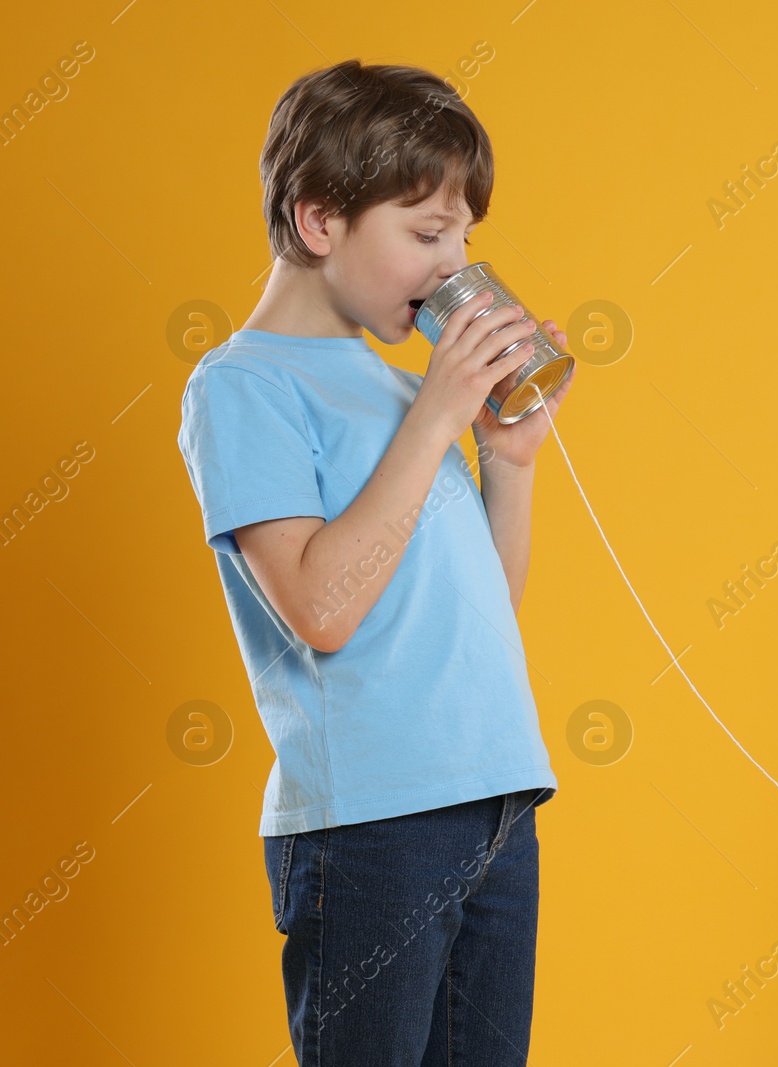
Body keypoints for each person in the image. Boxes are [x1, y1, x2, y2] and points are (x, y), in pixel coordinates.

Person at [175, 59, 575, 1064]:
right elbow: (319, 607)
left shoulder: (401, 393)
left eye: (464, 239)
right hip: (373, 827)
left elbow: (487, 607)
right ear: (319, 221)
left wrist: (507, 459)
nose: (454, 266)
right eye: (427, 233)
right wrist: (439, 414)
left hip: (493, 803)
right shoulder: (242, 388)